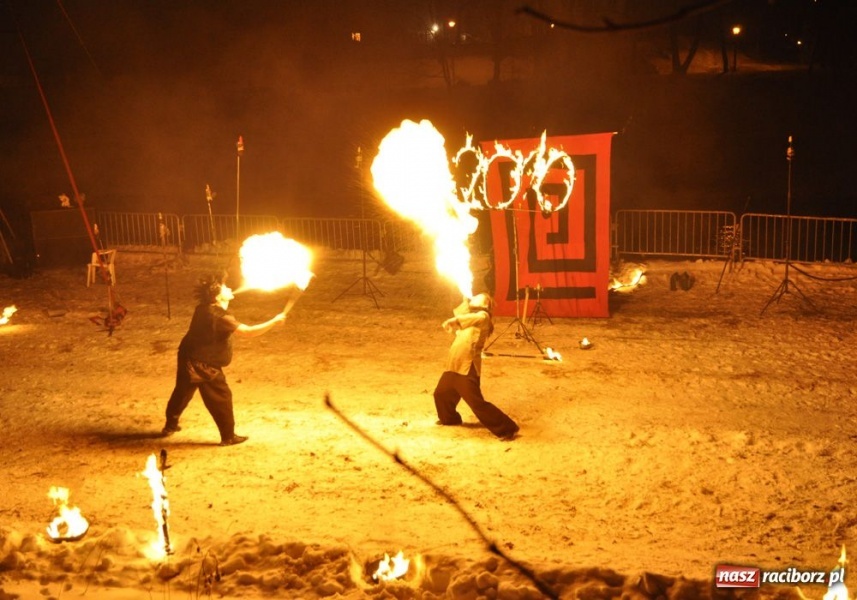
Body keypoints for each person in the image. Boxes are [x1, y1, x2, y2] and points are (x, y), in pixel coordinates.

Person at [161, 273, 287, 446]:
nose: (229, 288)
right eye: (225, 288)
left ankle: (170, 425)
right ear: (218, 296)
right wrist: (274, 321)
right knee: (221, 396)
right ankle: (228, 436)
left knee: (183, 391)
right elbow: (248, 332)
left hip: (187, 355)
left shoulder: (203, 307)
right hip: (202, 363)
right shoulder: (219, 317)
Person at [433, 293, 520, 440]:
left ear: (485, 305)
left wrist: (453, 321)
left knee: (477, 404)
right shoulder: (470, 316)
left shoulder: (483, 317)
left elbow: (468, 318)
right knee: (441, 394)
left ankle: (507, 428)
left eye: (478, 297)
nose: (474, 296)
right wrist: (465, 299)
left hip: (467, 367)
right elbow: (462, 313)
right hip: (454, 364)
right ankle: (450, 418)